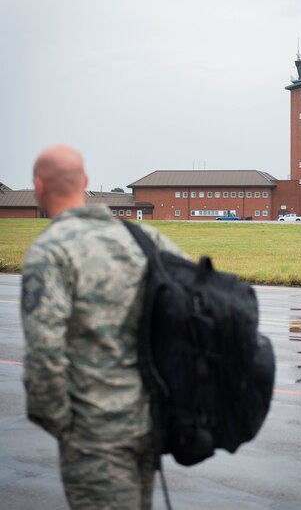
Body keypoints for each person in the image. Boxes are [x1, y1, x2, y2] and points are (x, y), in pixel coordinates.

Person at [20, 144, 184, 510]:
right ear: (86, 183)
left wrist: (65, 426)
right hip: (148, 425)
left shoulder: (50, 251)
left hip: (95, 435)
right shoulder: (142, 239)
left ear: (39, 187)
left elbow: (44, 353)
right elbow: (193, 306)